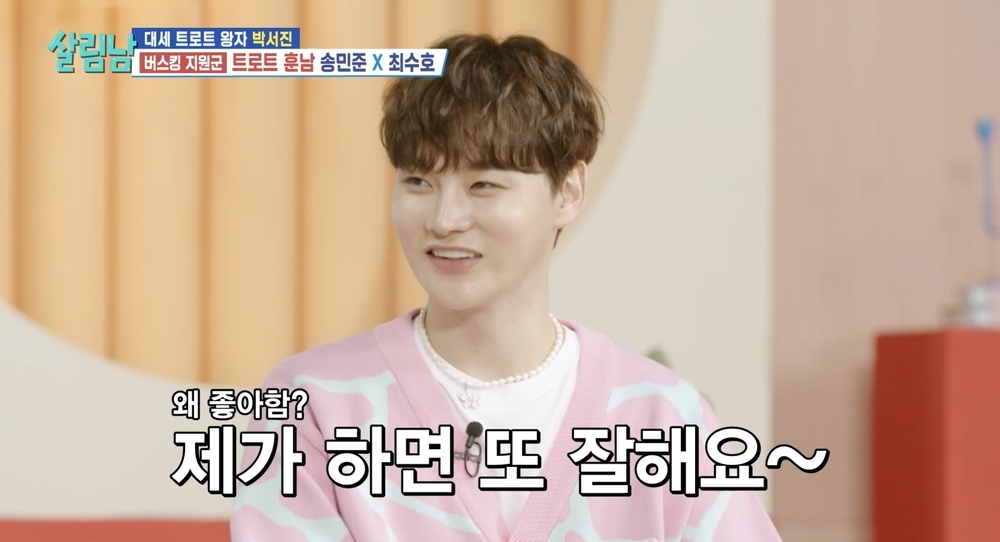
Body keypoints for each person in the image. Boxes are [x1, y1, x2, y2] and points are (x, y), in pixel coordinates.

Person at [231, 33, 782, 541]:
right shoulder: (311, 404)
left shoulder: (664, 416)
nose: (444, 219)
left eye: (483, 185)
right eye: (418, 181)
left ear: (568, 191)